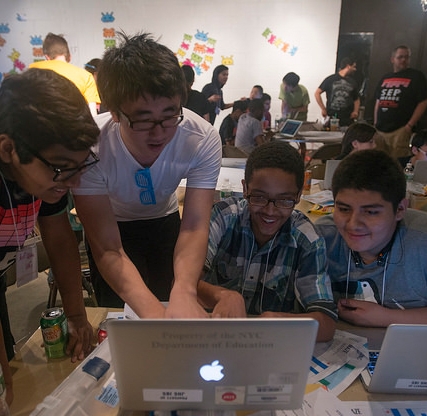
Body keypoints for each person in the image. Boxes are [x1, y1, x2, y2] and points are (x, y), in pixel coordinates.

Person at [72, 32, 222, 319]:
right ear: (114, 112)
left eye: (170, 115)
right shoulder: (89, 145)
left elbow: (193, 226)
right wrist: (155, 316)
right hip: (112, 223)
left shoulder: (201, 139)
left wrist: (185, 291)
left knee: (174, 298)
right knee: (120, 315)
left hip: (164, 221)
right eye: (143, 119)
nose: (159, 131)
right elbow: (108, 248)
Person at [0, 68, 100, 385]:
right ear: (8, 149)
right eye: (61, 168)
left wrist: (76, 314)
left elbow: (59, 238)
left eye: (81, 164)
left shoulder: (46, 179)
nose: (74, 181)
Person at [197, 142, 337, 342]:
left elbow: (327, 323)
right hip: (214, 335)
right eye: (259, 197)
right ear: (245, 189)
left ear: (298, 196)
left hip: (272, 342)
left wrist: (282, 320)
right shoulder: (222, 217)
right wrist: (221, 295)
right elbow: (183, 283)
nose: (270, 211)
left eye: (284, 200)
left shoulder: (307, 240)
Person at [315, 149, 427, 327]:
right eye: (344, 209)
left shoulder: (421, 241)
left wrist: (387, 318)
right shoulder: (320, 239)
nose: (353, 224)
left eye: (371, 212)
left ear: (400, 209)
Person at [374, 45, 427, 159]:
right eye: (400, 57)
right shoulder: (385, 77)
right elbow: (378, 101)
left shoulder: (416, 76)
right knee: (379, 161)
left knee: (397, 163)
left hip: (400, 129)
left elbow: (423, 101)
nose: (404, 60)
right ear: (393, 59)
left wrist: (409, 126)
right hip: (380, 129)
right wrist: (375, 122)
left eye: (407, 57)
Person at [29, 33, 101, 117]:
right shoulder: (85, 76)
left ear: (47, 57)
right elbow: (93, 116)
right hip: (73, 127)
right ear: (69, 56)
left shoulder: (32, 72)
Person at [314, 58, 360, 127]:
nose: (355, 69)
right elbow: (317, 93)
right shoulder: (330, 79)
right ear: (348, 66)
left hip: (347, 118)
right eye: (354, 66)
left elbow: (356, 99)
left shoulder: (353, 82)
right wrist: (323, 109)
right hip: (332, 116)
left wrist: (355, 111)